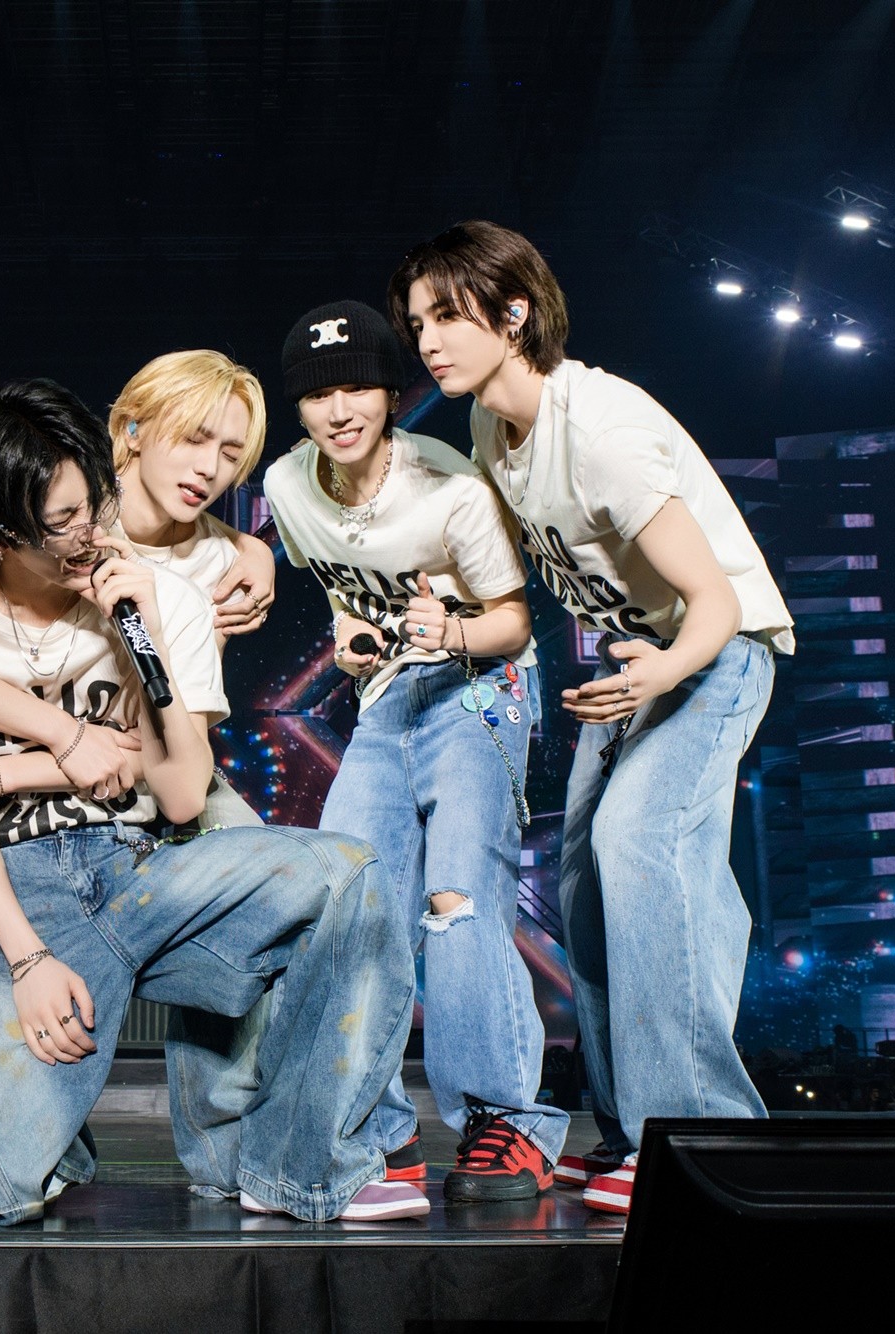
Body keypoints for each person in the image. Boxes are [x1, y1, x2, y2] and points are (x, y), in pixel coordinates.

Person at [0, 378, 423, 1224]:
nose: (90, 534)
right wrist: (27, 957)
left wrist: (142, 630)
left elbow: (180, 792)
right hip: (22, 882)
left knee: (349, 875)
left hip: (145, 866)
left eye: (93, 506)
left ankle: (300, 1167)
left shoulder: (157, 600)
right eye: (62, 522)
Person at [392, 220, 795, 1215]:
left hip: (712, 654)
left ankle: (696, 1135)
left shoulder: (602, 431)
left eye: (447, 316)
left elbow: (715, 601)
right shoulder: (488, 427)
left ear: (513, 313)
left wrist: (662, 668)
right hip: (635, 665)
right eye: (417, 322)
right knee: (579, 886)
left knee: (640, 842)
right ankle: (625, 1130)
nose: (428, 341)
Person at [0, 349, 281, 1196]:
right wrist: (54, 740)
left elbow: (158, 760)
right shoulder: (33, 494)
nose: (210, 468)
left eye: (232, 453)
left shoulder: (221, 559)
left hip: (137, 764)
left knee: (260, 875)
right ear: (129, 433)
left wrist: (256, 557)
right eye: (194, 439)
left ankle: (232, 1143)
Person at [262, 299, 564, 1204]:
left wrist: (452, 631)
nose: (338, 409)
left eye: (357, 387)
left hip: (479, 686)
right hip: (387, 699)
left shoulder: (452, 490)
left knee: (456, 898)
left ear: (392, 395)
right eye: (318, 394)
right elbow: (342, 593)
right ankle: (377, 1129)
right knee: (353, 905)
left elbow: (513, 622)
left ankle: (507, 1120)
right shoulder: (287, 487)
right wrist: (353, 637)